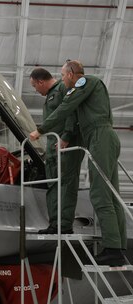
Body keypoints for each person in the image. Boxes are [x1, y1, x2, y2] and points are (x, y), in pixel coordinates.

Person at [30, 60, 127, 266]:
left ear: (72, 74)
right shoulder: (84, 87)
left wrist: (41, 129)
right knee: (110, 193)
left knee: (100, 193)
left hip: (100, 137)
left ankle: (113, 248)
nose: (62, 80)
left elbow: (66, 107)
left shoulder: (85, 82)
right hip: (99, 138)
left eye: (64, 76)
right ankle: (117, 247)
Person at [30, 67, 84, 234]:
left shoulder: (62, 88)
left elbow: (70, 111)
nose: (35, 89)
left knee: (66, 185)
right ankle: (55, 224)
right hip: (54, 149)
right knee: (53, 186)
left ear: (40, 81)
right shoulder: (52, 94)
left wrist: (66, 136)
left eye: (34, 86)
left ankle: (64, 225)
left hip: (64, 147)